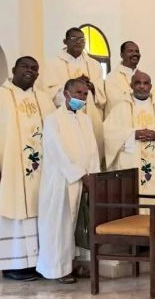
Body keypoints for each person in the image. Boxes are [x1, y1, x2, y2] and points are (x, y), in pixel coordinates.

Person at [0, 57, 55, 280]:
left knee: (38, 214)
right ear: (13, 70)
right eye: (25, 67)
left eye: (34, 68)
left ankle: (36, 263)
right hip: (7, 171)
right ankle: (12, 265)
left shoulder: (44, 99)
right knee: (9, 213)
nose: (30, 71)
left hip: (39, 173)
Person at [37, 79, 101, 283]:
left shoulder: (85, 119)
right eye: (78, 93)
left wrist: (93, 175)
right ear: (66, 93)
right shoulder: (53, 120)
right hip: (62, 182)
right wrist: (81, 174)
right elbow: (57, 151)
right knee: (60, 226)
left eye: (85, 94)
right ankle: (58, 269)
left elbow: (92, 150)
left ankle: (74, 264)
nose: (82, 97)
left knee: (78, 225)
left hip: (84, 180)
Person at [42, 27, 106, 163]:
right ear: (65, 41)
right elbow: (49, 92)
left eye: (82, 39)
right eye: (74, 39)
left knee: (91, 154)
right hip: (66, 118)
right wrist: (74, 86)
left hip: (90, 117)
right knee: (70, 154)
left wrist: (91, 86)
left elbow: (102, 93)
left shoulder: (94, 65)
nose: (78, 42)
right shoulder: (53, 64)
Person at [103, 71, 155, 194]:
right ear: (131, 85)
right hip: (130, 161)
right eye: (138, 83)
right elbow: (108, 133)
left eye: (145, 83)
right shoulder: (120, 107)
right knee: (131, 193)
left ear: (150, 86)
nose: (142, 86)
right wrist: (132, 135)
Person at [104, 41, 141, 113]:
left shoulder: (143, 77)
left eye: (137, 51)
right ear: (122, 55)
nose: (135, 54)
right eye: (130, 51)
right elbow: (115, 102)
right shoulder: (112, 78)